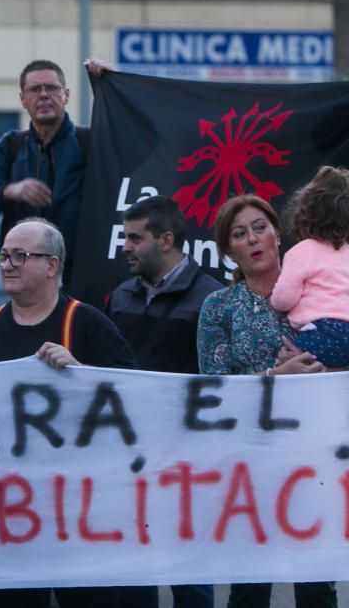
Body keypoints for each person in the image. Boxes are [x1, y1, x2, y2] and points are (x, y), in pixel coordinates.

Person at [0, 217, 135, 608]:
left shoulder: (87, 325)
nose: (7, 264)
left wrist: (83, 375)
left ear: (52, 265)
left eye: (21, 255)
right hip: (7, 521)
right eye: (4, 255)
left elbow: (134, 401)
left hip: (80, 521)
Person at [197, 195, 349, 608]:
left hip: (315, 456)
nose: (253, 239)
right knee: (248, 589)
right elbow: (214, 390)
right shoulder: (218, 307)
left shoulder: (321, 282)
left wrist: (320, 372)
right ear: (228, 251)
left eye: (260, 227)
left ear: (279, 233)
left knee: (316, 587)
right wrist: (278, 378)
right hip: (250, 462)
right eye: (239, 234)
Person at [104, 196, 222, 608]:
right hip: (129, 461)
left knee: (189, 577)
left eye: (135, 238)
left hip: (187, 465)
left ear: (167, 239)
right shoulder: (119, 298)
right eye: (125, 237)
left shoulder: (212, 299)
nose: (126, 247)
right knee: (135, 577)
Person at [0, 57, 111, 288]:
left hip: (82, 281)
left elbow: (136, 145)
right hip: (26, 283)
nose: (44, 95)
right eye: (35, 89)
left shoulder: (91, 143)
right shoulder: (10, 146)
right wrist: (8, 190)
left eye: (51, 88)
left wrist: (110, 87)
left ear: (66, 95)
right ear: (23, 99)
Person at [269, 165, 349, 368]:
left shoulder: (301, 253)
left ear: (305, 211)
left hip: (322, 334)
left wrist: (273, 298)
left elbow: (283, 299)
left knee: (288, 359)